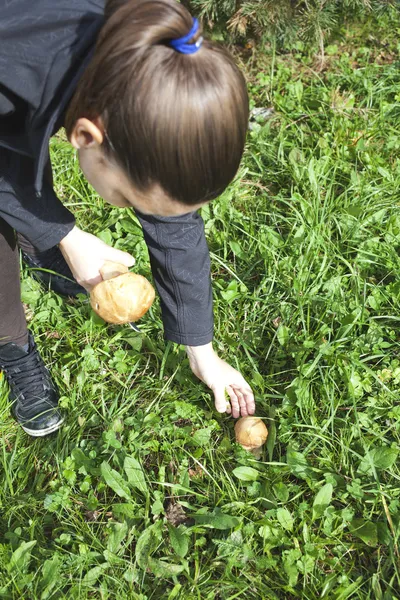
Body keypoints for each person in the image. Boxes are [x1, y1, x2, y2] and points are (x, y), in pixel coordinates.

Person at [0, 0, 256, 437]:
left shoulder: (150, 57)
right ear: (85, 135)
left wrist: (201, 349)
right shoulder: (14, 54)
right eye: (129, 197)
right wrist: (64, 234)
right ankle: (10, 341)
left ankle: (34, 237)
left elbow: (174, 223)